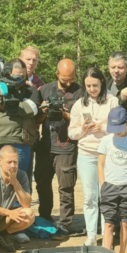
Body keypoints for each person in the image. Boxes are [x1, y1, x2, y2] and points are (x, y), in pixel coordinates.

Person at [69, 66, 120, 245]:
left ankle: (107, 233)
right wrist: (82, 129)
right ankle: (91, 234)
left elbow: (121, 128)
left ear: (102, 83)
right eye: (88, 86)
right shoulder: (79, 104)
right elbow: (71, 134)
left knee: (106, 196)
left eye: (95, 85)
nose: (92, 89)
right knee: (90, 196)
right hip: (86, 155)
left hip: (107, 155)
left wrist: (103, 128)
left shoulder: (112, 102)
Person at [36, 59, 82, 237]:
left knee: (66, 187)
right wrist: (44, 112)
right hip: (45, 145)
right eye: (65, 80)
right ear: (57, 75)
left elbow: (81, 121)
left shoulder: (80, 91)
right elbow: (36, 120)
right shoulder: (45, 90)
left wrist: (64, 113)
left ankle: (65, 224)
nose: (69, 83)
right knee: (42, 185)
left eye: (71, 79)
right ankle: (45, 218)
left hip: (67, 146)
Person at [0, 58, 41, 180]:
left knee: (17, 182)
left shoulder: (30, 90)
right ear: (7, 73)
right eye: (16, 75)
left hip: (18, 141)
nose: (19, 79)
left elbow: (31, 109)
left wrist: (0, 105)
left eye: (22, 75)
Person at [98, 106, 127, 253]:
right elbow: (100, 163)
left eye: (120, 127)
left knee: (125, 221)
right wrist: (103, 184)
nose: (117, 130)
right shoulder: (106, 140)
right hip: (109, 186)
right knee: (109, 223)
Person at [106, 51, 127, 129]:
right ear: (109, 67)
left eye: (120, 67)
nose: (116, 70)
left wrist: (123, 99)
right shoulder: (104, 84)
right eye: (113, 67)